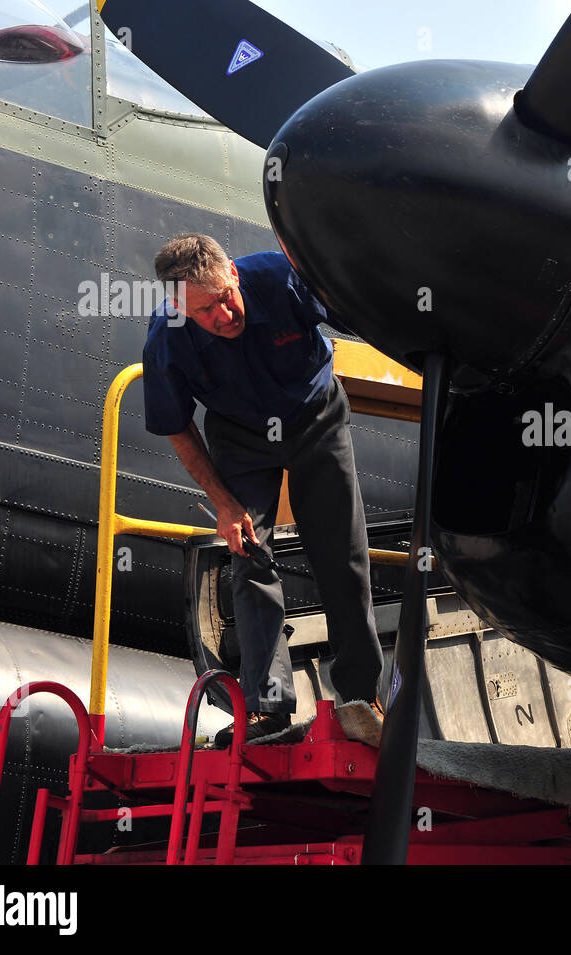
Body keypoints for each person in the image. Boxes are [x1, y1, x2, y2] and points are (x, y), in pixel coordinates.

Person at [141, 233, 384, 744]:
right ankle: (267, 708)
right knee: (249, 558)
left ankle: (362, 696)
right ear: (179, 306)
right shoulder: (167, 336)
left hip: (316, 418)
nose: (223, 315)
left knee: (343, 556)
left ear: (233, 271)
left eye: (225, 297)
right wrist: (224, 504)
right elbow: (176, 426)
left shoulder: (282, 278)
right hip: (240, 437)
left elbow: (361, 314)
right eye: (204, 311)